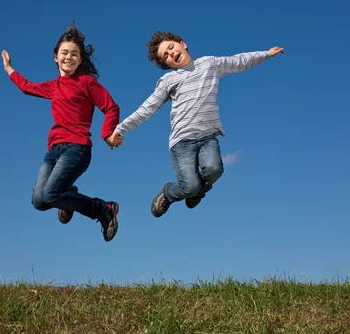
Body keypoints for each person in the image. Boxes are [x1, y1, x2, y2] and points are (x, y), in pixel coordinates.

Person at [108, 31, 284, 218]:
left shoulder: (209, 64)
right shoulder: (168, 81)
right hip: (182, 141)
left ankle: (197, 192)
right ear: (166, 64)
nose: (171, 54)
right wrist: (121, 128)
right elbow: (147, 108)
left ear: (182, 44)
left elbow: (238, 61)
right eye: (165, 56)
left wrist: (266, 54)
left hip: (208, 136)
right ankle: (169, 193)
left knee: (214, 170)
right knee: (189, 185)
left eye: (171, 47)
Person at [2, 22, 120, 241]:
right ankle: (69, 195)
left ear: (80, 59)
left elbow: (111, 107)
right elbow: (28, 87)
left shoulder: (87, 83)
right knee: (39, 201)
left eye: (75, 54)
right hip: (53, 151)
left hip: (77, 148)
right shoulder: (53, 86)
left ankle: (103, 209)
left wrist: (107, 133)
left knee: (51, 194)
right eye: (64, 53)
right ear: (56, 56)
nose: (69, 57)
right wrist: (10, 69)